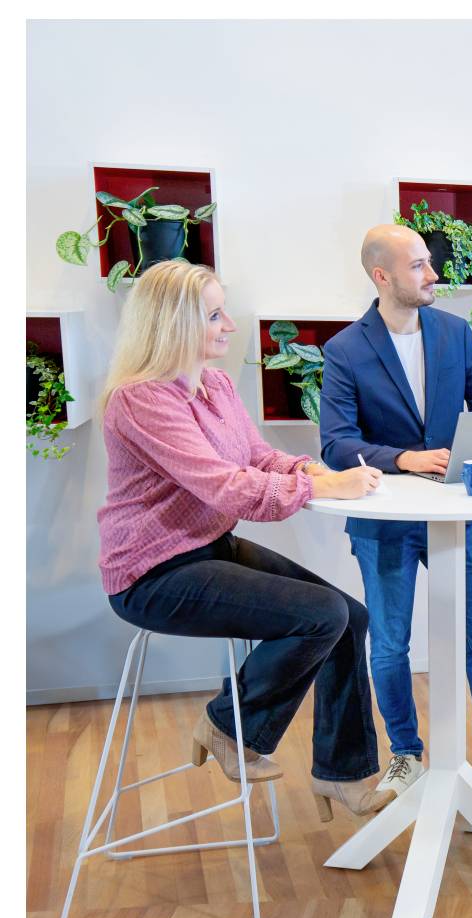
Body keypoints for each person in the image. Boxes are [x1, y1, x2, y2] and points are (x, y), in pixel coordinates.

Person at [97, 259, 393, 821]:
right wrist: (319, 485)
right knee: (321, 615)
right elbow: (225, 487)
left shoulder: (215, 384)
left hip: (207, 548)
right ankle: (228, 725)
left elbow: (256, 458)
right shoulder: (140, 400)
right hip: (152, 573)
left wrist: (315, 474)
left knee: (349, 616)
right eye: (214, 315)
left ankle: (344, 774)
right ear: (173, 324)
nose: (229, 325)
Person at [319, 225, 472, 800]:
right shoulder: (345, 350)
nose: (433, 275)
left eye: (429, 264)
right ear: (381, 276)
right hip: (384, 524)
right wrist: (406, 457)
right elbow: (335, 444)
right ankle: (406, 757)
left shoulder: (456, 334)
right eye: (418, 266)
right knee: (389, 644)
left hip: (454, 516)